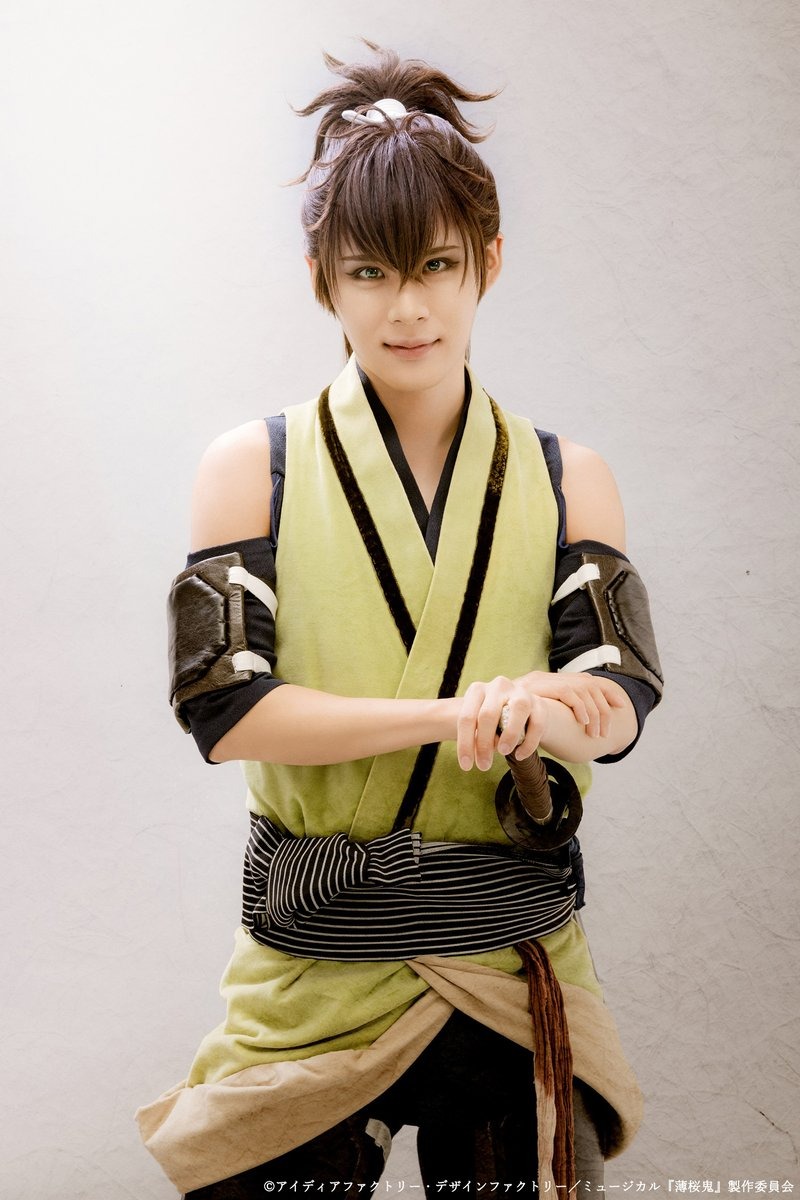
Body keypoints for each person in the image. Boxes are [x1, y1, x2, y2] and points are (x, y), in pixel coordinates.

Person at [137, 42, 663, 1198]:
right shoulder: (250, 469)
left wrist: (553, 708)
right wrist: (456, 713)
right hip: (311, 972)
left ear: (488, 261)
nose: (408, 306)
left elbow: (621, 701)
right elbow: (223, 711)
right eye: (369, 272)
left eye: (435, 264)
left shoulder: (568, 477)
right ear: (320, 278)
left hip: (515, 968)